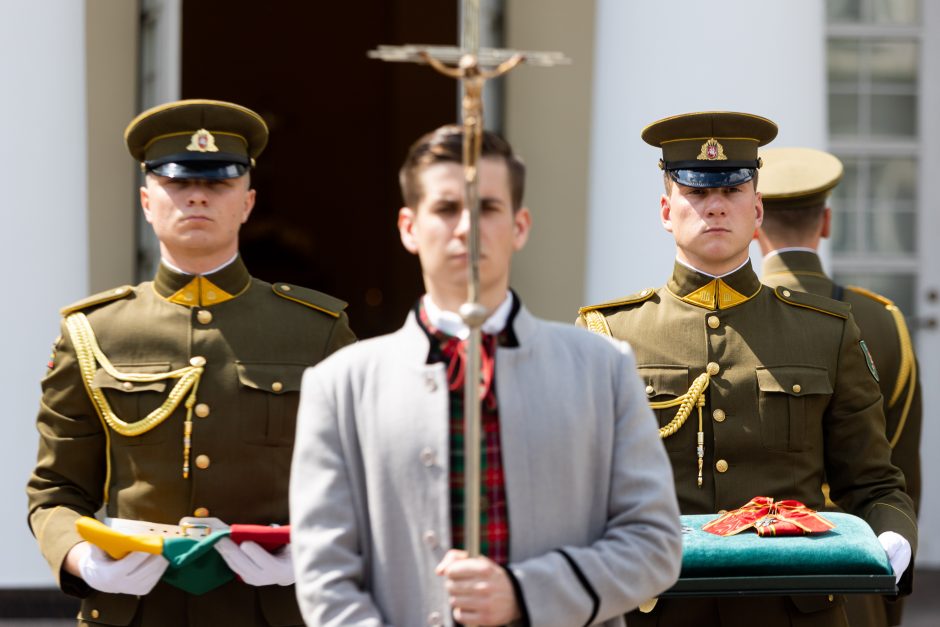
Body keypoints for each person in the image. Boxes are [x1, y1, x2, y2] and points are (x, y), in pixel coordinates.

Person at [290, 125, 683, 627]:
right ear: (409, 227)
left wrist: (524, 592)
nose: (467, 228)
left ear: (520, 226)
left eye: (488, 209)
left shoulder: (603, 368)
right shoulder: (340, 385)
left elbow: (654, 543)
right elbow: (324, 575)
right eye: (447, 208)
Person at [577, 111, 918, 627]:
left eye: (733, 191)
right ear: (667, 211)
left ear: (757, 210)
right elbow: (578, 488)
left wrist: (891, 538)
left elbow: (873, 484)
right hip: (658, 609)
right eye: (696, 192)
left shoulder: (827, 331)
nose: (715, 206)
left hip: (793, 612)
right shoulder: (609, 334)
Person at [26, 99, 356, 626]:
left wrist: (317, 555)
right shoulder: (93, 331)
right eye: (177, 183)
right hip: (133, 611)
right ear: (146, 201)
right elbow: (55, 492)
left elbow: (362, 479)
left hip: (271, 612)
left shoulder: (316, 331)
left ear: (248, 202)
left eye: (220, 183)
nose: (197, 195)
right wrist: (82, 559)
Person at [756, 146, 922, 627]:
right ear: (826, 222)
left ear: (754, 220)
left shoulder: (736, 320)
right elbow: (900, 473)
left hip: (754, 573)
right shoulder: (882, 319)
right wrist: (888, 598)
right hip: (854, 573)